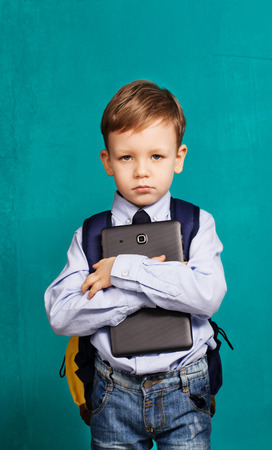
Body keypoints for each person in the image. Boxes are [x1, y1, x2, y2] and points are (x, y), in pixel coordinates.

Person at [45, 80, 227, 449]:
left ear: (178, 157)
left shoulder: (197, 223)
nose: (142, 171)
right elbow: (61, 315)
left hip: (185, 386)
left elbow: (206, 297)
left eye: (156, 156)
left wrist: (122, 271)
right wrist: (146, 293)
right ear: (108, 161)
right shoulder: (91, 234)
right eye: (127, 157)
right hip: (114, 391)